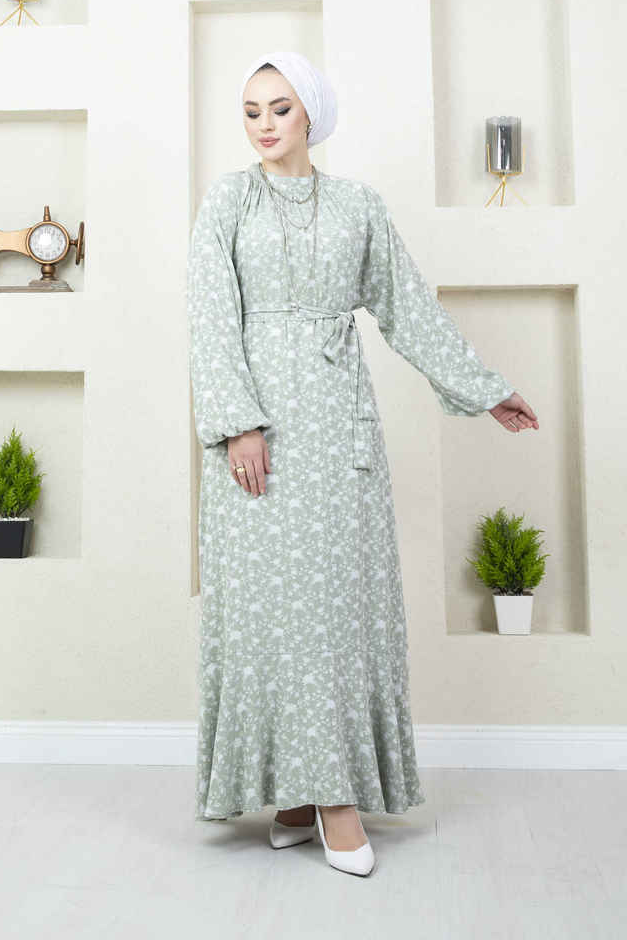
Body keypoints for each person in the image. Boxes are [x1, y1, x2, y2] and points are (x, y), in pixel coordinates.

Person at [186, 50, 539, 877]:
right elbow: (209, 315)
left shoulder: (357, 206)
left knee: (337, 613)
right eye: (251, 110)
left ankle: (325, 793)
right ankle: (302, 793)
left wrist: (485, 389)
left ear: (311, 112)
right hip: (258, 438)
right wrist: (239, 425)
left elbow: (408, 308)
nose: (264, 124)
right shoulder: (228, 201)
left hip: (338, 430)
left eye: (279, 108)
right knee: (269, 615)